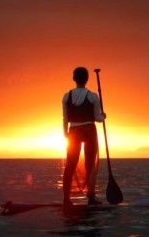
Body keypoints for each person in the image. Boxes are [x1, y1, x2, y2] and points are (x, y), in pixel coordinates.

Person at [62, 66, 106, 206]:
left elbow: (65, 118)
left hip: (73, 131)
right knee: (90, 165)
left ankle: (66, 199)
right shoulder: (93, 96)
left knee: (70, 166)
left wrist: (65, 134)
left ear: (74, 78)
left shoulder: (66, 96)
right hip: (89, 130)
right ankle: (91, 198)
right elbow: (98, 118)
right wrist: (103, 116)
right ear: (87, 79)